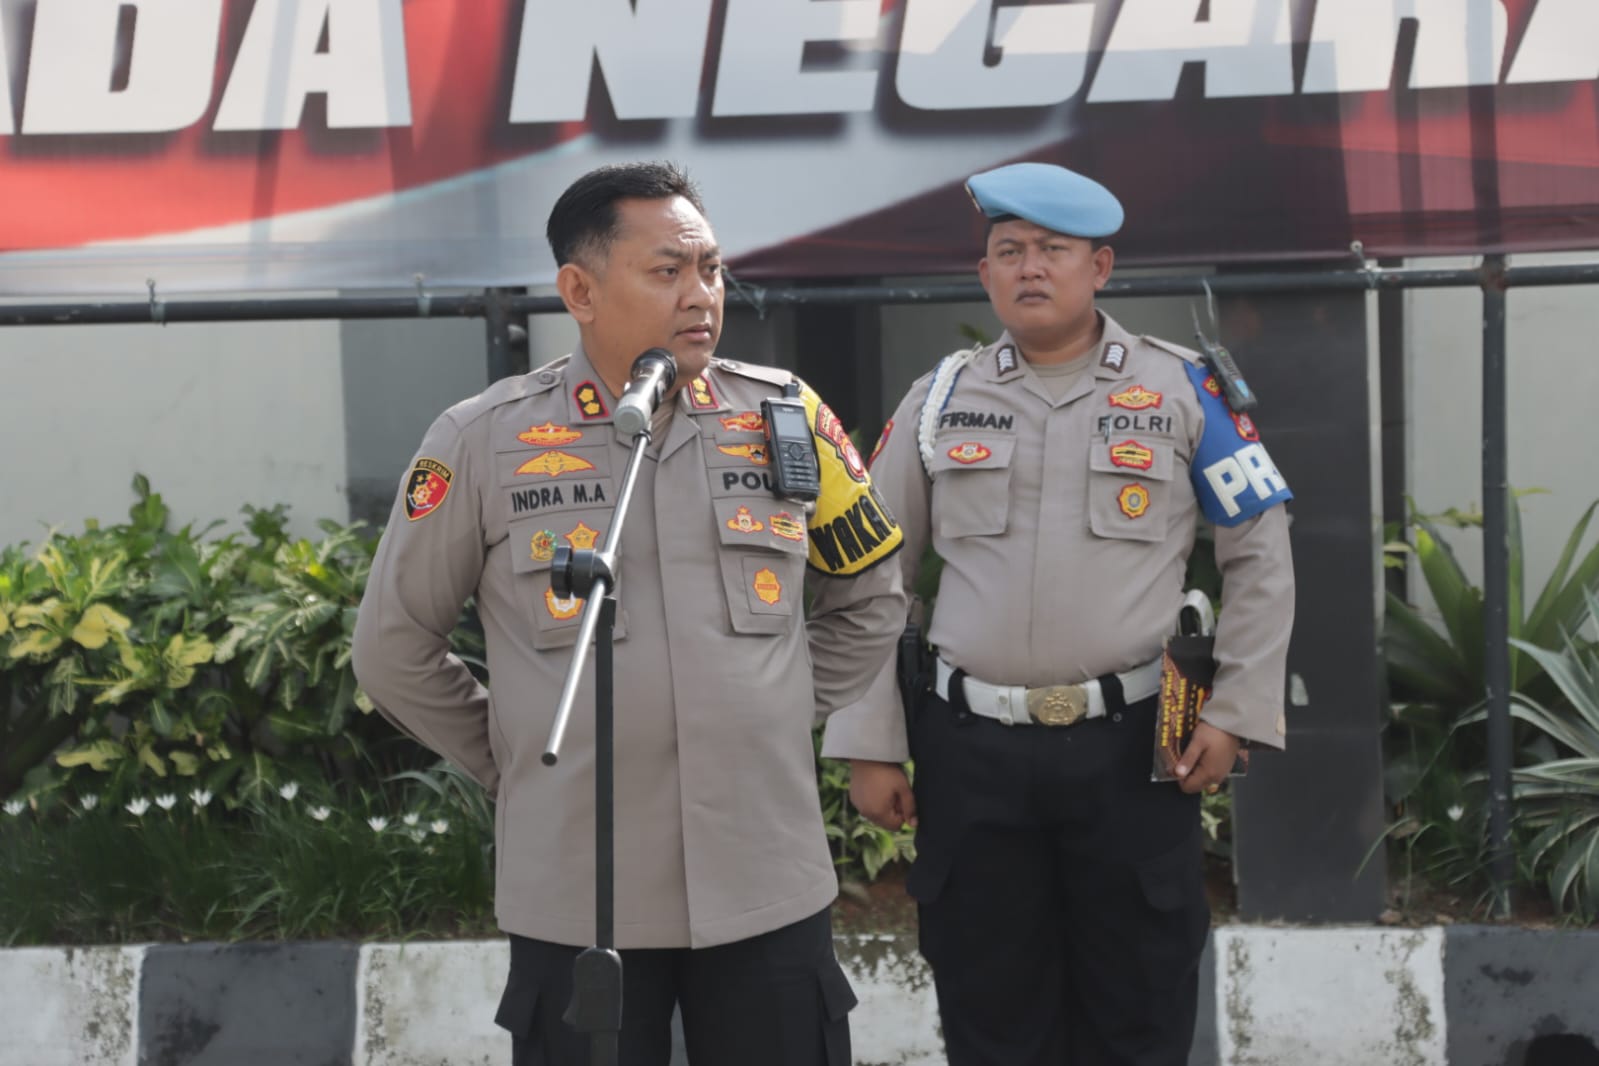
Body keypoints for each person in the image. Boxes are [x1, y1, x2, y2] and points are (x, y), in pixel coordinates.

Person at [352, 161, 906, 1066]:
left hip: (762, 872)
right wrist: (515, 757)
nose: (701, 295)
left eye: (712, 269)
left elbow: (872, 594)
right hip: (579, 884)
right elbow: (392, 646)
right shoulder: (481, 439)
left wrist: (773, 709)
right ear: (579, 291)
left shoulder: (786, 415)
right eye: (667, 271)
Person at [823, 162, 1296, 1065]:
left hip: (1134, 749)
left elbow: (1260, 556)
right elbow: (875, 575)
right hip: (971, 752)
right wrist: (869, 740)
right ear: (984, 274)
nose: (1029, 267)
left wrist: (1234, 712)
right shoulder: (939, 399)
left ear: (1099, 267)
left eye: (1051, 249)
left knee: (1139, 1004)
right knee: (989, 1007)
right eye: (1008, 251)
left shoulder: (1184, 391)